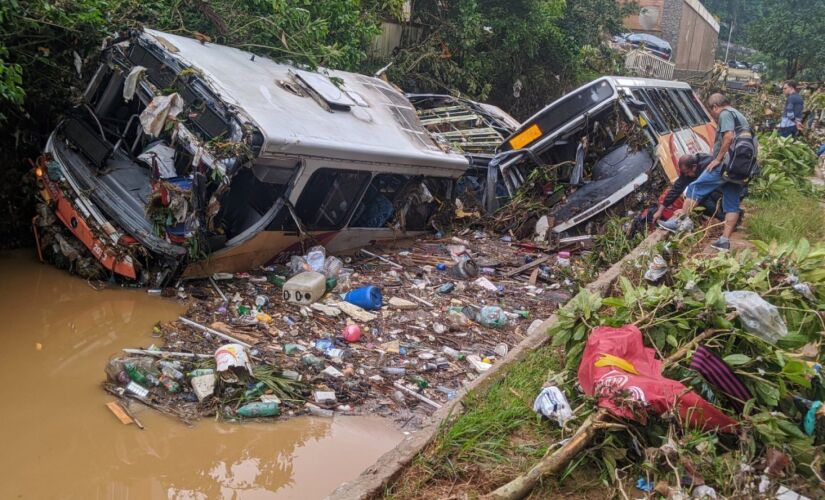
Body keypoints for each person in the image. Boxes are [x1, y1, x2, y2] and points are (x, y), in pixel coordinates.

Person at [658, 93, 750, 251]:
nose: (713, 115)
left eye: (712, 111)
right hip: (739, 167)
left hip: (725, 164)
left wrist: (718, 158)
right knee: (732, 204)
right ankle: (724, 241)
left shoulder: (726, 114)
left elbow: (728, 136)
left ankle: (678, 224)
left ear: (715, 106)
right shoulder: (740, 116)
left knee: (694, 188)